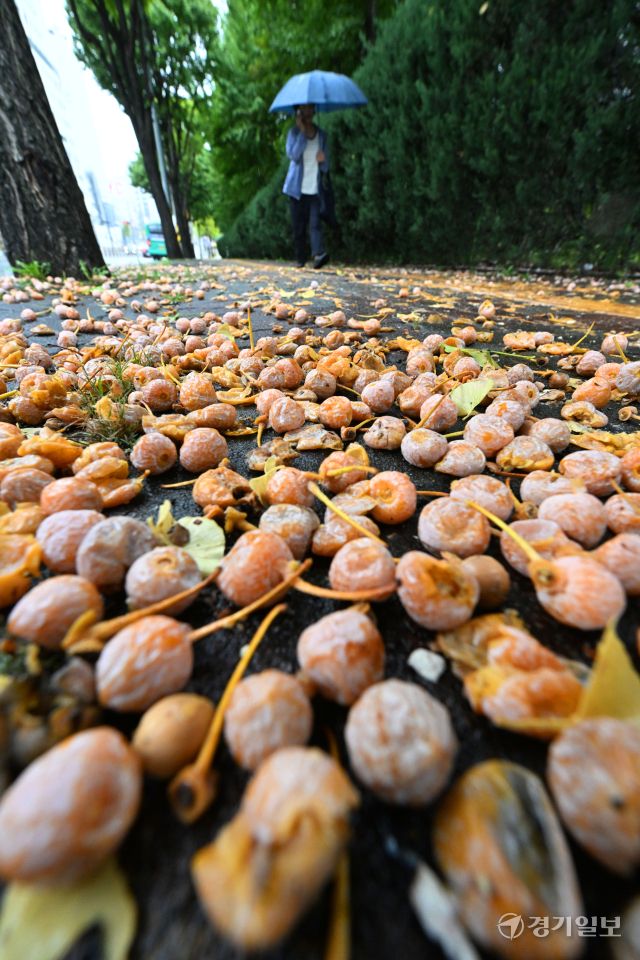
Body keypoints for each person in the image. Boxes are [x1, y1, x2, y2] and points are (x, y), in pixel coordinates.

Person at [282, 103, 329, 269]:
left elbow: (325, 167)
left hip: (314, 188)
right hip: (296, 189)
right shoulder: (293, 133)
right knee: (299, 226)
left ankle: (318, 254)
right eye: (303, 110)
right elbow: (294, 155)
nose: (307, 112)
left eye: (309, 109)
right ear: (298, 113)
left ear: (314, 110)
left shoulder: (321, 135)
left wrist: (323, 161)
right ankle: (301, 259)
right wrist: (302, 132)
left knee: (315, 223)